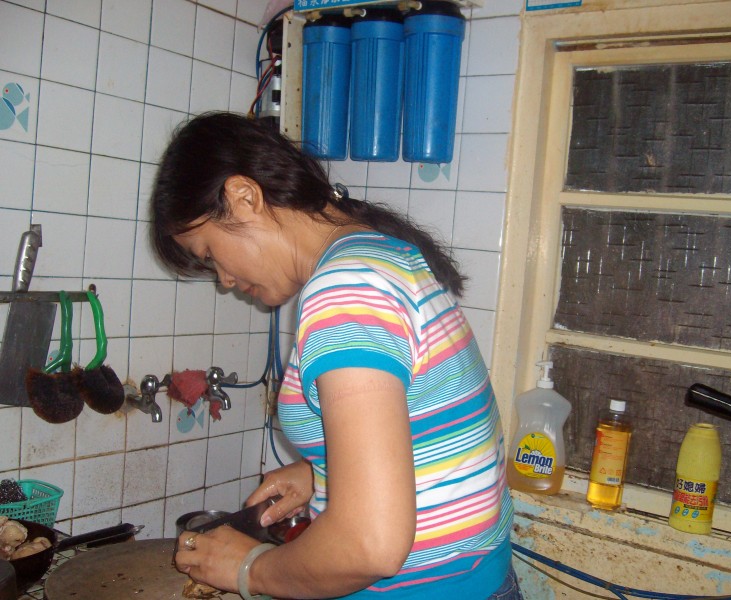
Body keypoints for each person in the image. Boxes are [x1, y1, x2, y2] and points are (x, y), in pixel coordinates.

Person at [153, 112, 519, 599]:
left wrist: (249, 569)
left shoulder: (346, 290)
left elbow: (370, 547)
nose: (223, 279)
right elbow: (431, 430)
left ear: (244, 197)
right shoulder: (381, 256)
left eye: (209, 253)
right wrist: (322, 472)